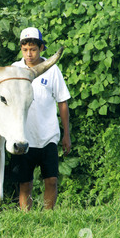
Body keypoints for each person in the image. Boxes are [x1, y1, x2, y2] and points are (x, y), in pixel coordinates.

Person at [9, 27, 71, 211]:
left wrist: (66, 134)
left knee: (51, 180)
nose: (29, 54)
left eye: (33, 49)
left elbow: (62, 102)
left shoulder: (52, 70)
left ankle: (47, 216)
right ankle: (27, 219)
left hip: (48, 135)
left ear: (41, 48)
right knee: (25, 184)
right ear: (21, 49)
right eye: (25, 49)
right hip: (24, 136)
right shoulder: (14, 70)